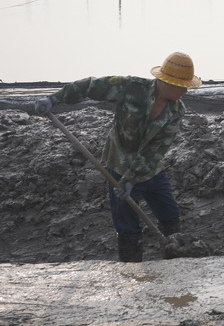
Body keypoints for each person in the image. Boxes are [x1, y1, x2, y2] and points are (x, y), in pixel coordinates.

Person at [34, 52, 203, 262]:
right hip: (118, 164)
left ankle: (174, 263)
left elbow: (156, 149)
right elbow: (90, 86)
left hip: (149, 169)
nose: (186, 91)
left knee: (170, 215)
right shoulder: (131, 88)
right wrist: (54, 98)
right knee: (127, 224)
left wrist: (132, 178)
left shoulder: (176, 111)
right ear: (168, 82)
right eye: (182, 86)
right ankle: (131, 269)